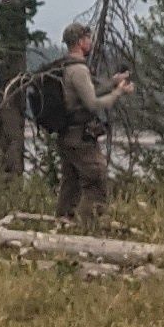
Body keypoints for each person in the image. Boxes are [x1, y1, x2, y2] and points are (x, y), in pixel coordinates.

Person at [50, 19, 130, 222]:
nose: (90, 41)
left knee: (71, 180)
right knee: (96, 177)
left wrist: (112, 82)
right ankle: (88, 224)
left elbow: (88, 92)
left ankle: (63, 220)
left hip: (67, 135)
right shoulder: (79, 70)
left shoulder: (67, 67)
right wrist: (118, 92)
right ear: (79, 41)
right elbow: (93, 103)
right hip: (79, 137)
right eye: (87, 37)